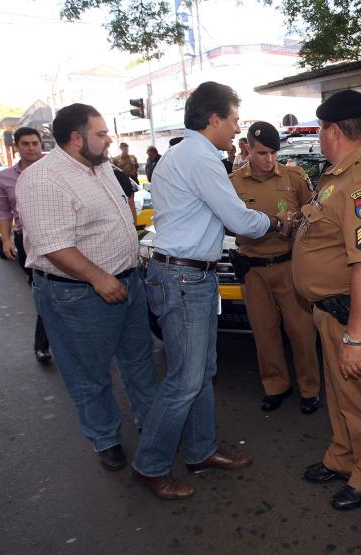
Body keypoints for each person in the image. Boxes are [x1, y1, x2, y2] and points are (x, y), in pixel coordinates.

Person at [132, 81, 290, 500]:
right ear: (213, 118)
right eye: (234, 120)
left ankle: (201, 451)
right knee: (184, 380)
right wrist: (276, 223)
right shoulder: (200, 158)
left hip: (189, 277)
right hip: (184, 279)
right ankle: (150, 464)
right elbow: (239, 219)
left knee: (201, 374)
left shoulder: (183, 155)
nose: (237, 129)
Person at [15, 103, 157, 472]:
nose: (109, 138)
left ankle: (152, 425)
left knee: (139, 361)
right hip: (78, 294)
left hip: (126, 283)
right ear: (76, 139)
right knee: (89, 373)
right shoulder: (43, 179)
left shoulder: (102, 167)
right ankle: (105, 437)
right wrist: (98, 278)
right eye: (101, 133)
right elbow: (53, 244)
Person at [293, 90, 361, 511]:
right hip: (331, 311)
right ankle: (343, 456)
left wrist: (355, 338)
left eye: (321, 129)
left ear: (334, 130)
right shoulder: (342, 173)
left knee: (358, 399)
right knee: (339, 397)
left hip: (353, 316)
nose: (320, 137)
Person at [230, 122, 321, 413]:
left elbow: (315, 213)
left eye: (273, 152)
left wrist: (297, 220)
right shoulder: (233, 183)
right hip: (253, 269)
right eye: (261, 153)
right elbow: (228, 223)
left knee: (302, 332)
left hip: (288, 266)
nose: (269, 159)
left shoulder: (293, 176)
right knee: (264, 334)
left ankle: (310, 389)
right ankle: (275, 386)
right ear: (247, 149)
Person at [0, 126, 51, 362]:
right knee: (44, 292)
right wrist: (6, 240)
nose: (31, 148)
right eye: (25, 144)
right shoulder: (4, 178)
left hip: (68, 238)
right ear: (16, 147)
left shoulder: (55, 168)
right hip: (27, 241)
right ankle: (42, 345)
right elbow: (4, 212)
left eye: (35, 143)